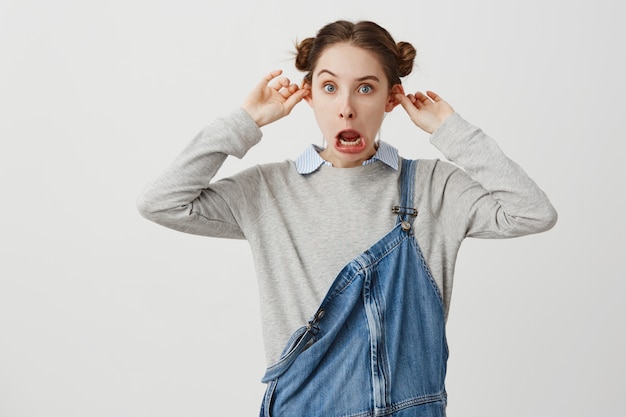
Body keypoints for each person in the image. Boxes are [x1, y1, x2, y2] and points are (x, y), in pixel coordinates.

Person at [137, 20, 557, 417]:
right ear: (308, 95)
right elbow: (161, 202)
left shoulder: (434, 188)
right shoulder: (267, 191)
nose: (347, 108)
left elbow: (533, 212)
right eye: (330, 87)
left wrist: (451, 131)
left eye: (366, 89)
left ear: (392, 98)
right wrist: (245, 122)